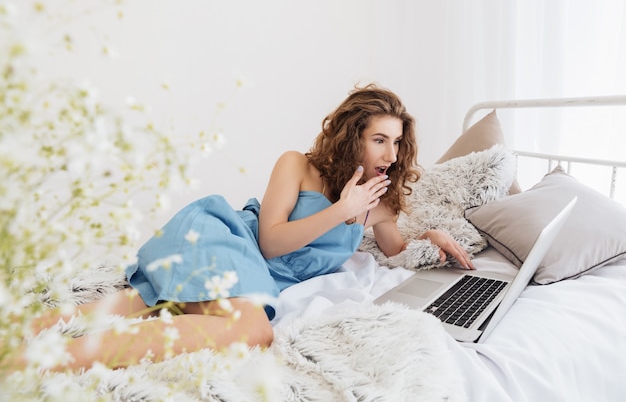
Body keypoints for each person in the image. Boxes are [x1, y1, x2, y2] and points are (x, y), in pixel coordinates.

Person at [11, 83, 473, 372]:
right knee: (250, 329)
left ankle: (20, 338)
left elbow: (392, 249)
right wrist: (340, 209)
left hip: (255, 274)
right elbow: (270, 243)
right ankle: (32, 356)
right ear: (353, 136)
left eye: (396, 142)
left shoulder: (378, 198)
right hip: (231, 242)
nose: (390, 155)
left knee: (153, 301)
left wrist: (427, 238)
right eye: (379, 140)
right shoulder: (298, 165)